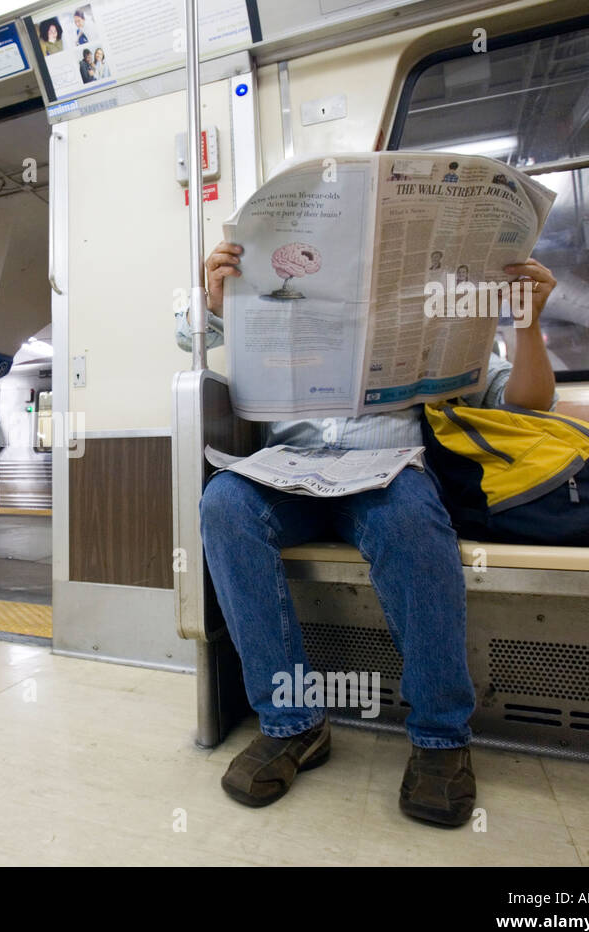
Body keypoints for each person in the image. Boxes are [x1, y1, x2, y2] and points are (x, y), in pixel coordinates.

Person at [182, 241, 557, 827]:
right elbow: (190, 346)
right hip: (293, 464)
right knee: (224, 503)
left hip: (389, 468)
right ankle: (293, 722)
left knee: (411, 518)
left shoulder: (439, 308)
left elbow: (529, 405)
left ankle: (440, 738)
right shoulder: (287, 305)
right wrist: (214, 300)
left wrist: (528, 323)